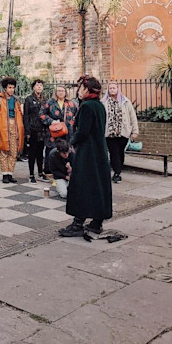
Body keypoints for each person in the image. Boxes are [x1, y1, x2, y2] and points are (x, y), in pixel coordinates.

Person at [59, 76, 112, 237]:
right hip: (99, 151)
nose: (79, 91)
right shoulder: (99, 106)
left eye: (81, 88)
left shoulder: (87, 106)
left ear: (88, 89)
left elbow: (83, 131)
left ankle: (78, 224)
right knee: (97, 185)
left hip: (87, 153)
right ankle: (97, 222)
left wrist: (71, 143)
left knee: (81, 185)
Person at [102, 80, 139, 183]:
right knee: (114, 153)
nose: (112, 89)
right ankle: (117, 173)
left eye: (114, 88)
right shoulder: (103, 102)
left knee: (120, 153)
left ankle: (118, 171)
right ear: (108, 90)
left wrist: (135, 131)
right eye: (110, 88)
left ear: (118, 89)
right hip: (109, 133)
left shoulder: (125, 101)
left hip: (123, 132)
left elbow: (132, 116)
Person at [39, 85, 78, 179]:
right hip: (54, 132)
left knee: (66, 150)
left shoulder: (71, 104)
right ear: (56, 92)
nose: (61, 92)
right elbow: (42, 114)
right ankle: (49, 171)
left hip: (67, 132)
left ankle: (66, 171)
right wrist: (51, 121)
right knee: (51, 150)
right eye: (59, 90)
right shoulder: (49, 103)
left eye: (62, 91)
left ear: (65, 92)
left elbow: (77, 115)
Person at [0, 77, 24, 184]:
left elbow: (20, 114)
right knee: (4, 151)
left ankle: (10, 173)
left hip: (14, 126)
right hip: (3, 127)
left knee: (13, 151)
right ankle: (4, 174)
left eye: (13, 87)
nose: (11, 90)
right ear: (5, 88)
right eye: (9, 87)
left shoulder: (16, 100)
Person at [23, 79, 47, 183]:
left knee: (40, 152)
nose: (39, 87)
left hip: (42, 129)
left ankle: (40, 173)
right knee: (32, 152)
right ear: (33, 87)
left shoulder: (45, 100)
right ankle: (31, 174)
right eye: (37, 85)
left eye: (41, 85)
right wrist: (27, 131)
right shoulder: (29, 99)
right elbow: (26, 116)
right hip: (33, 129)